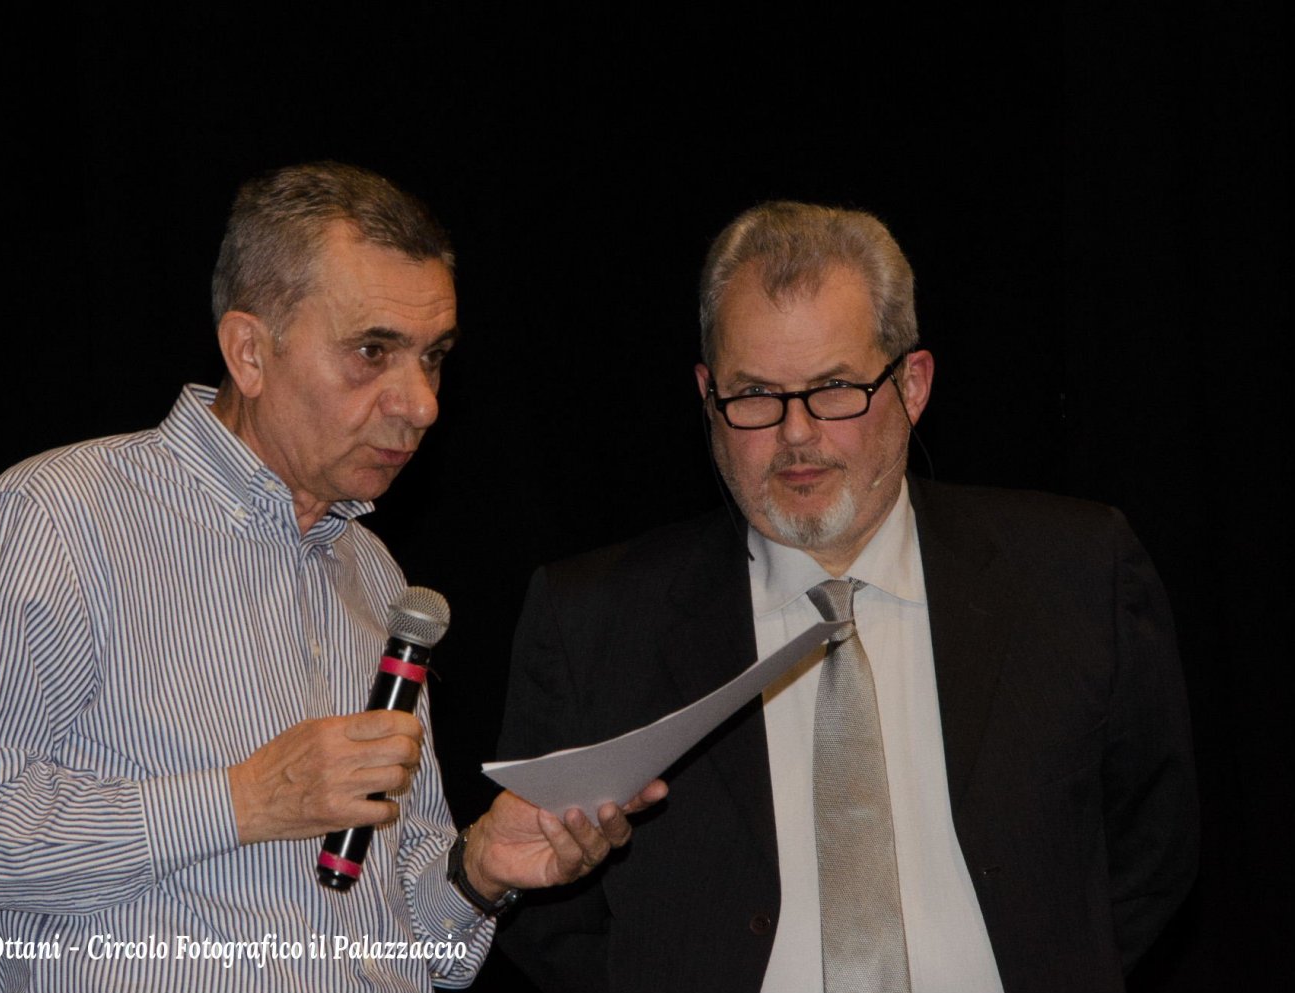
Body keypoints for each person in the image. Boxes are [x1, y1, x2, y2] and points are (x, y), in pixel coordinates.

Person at [0, 162, 662, 992]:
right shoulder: (63, 519)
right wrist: (240, 801)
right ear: (250, 351)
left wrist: (479, 870)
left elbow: (409, 940)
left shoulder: (374, 572)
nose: (422, 402)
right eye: (373, 351)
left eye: (433, 357)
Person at [495, 202, 1197, 993]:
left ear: (913, 383)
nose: (796, 434)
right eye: (755, 394)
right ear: (707, 395)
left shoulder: (1075, 572)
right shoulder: (592, 623)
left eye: (834, 388)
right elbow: (547, 911)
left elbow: (1152, 849)